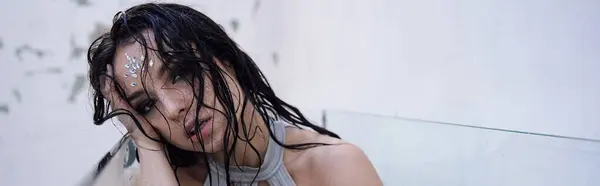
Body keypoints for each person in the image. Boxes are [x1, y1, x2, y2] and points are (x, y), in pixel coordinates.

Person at [87, 3, 382, 186]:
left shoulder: (337, 166)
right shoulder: (168, 178)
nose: (172, 108)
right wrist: (145, 142)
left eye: (181, 72)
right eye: (147, 105)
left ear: (223, 57)